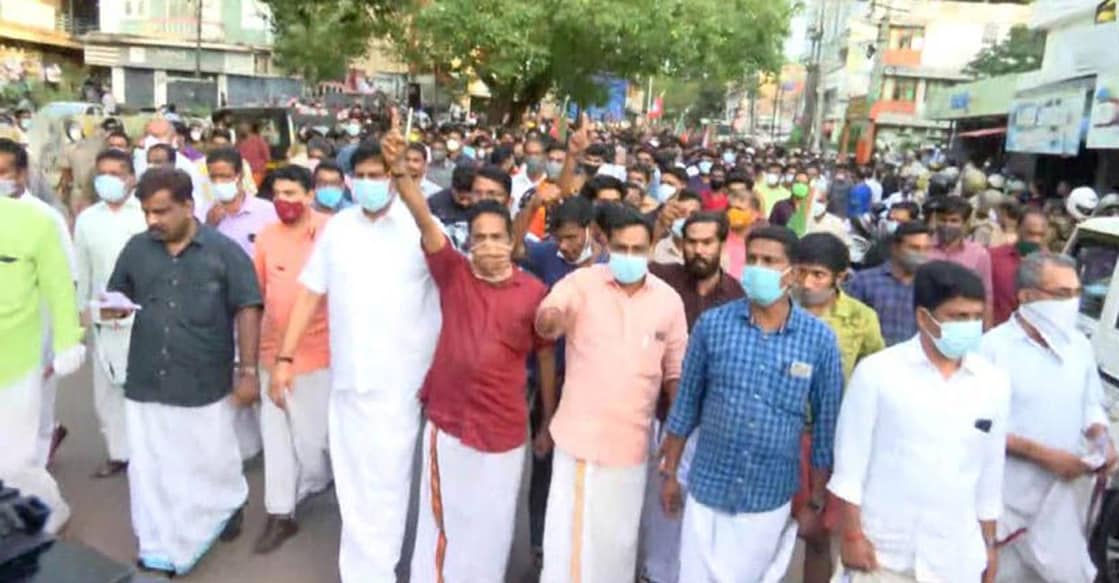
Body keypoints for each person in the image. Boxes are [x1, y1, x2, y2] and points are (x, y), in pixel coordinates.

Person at [270, 137, 442, 582]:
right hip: (347, 380)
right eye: (360, 176)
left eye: (377, 175)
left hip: (398, 386)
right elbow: (310, 291)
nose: (367, 184)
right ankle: (361, 571)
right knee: (352, 486)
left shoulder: (418, 228)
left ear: (395, 179)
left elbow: (453, 285)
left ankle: (376, 573)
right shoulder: (339, 229)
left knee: (385, 487)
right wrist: (284, 357)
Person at [398, 155, 552, 580]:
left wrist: (546, 421)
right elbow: (424, 220)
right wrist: (401, 175)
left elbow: (544, 356)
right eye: (479, 237)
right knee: (442, 522)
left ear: (511, 241)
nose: (488, 245)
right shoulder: (453, 274)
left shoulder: (535, 292)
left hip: (503, 430)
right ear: (469, 243)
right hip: (449, 423)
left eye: (497, 237)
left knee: (492, 528)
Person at [660, 225, 843, 582]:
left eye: (770, 261)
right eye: (753, 259)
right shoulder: (713, 325)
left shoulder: (819, 340)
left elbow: (826, 425)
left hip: (768, 494)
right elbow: (686, 405)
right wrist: (670, 474)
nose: (758, 268)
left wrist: (817, 498)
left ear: (794, 272)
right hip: (707, 486)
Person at [105, 167, 263, 576]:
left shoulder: (222, 251)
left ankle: (226, 506)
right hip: (146, 375)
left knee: (207, 461)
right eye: (146, 213)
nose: (153, 221)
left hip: (203, 377)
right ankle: (161, 543)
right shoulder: (137, 249)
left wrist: (247, 371)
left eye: (161, 211)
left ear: (189, 206)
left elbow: (247, 306)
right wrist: (112, 306)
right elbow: (117, 293)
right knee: (151, 466)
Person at [828, 260, 1009, 583]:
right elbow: (849, 466)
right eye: (957, 317)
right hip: (883, 551)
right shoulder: (878, 373)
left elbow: (990, 475)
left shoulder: (992, 383)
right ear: (924, 317)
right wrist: (852, 535)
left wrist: (989, 546)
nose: (969, 326)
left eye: (975, 317)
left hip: (956, 555)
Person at [535, 205, 688, 583]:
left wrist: (675, 436)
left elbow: (676, 372)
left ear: (652, 247)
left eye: (638, 249)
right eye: (622, 248)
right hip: (581, 443)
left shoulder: (668, 300)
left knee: (616, 547)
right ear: (607, 244)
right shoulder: (583, 283)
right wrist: (550, 319)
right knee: (570, 549)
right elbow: (551, 313)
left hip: (632, 447)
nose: (630, 257)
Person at [980, 253, 1115, 583]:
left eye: (1076, 293)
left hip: (1063, 502)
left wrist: (1101, 437)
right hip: (1006, 502)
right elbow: (978, 425)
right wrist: (1043, 455)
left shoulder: (1079, 346)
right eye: (1061, 294)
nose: (1072, 302)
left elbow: (1091, 403)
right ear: (1027, 297)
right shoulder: (992, 349)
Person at [640, 212, 745, 583]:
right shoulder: (661, 281)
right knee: (660, 504)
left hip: (708, 422)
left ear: (721, 245)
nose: (699, 250)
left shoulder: (738, 297)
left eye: (707, 242)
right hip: (660, 412)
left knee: (697, 509)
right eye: (692, 242)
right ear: (681, 244)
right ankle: (655, 573)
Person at [790, 232, 885, 582]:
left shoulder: (861, 319)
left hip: (827, 437)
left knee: (816, 534)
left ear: (840, 278)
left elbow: (873, 373)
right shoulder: (778, 308)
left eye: (818, 275)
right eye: (801, 273)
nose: (808, 283)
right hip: (779, 431)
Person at [0, 152, 84, 536]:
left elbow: (60, 284)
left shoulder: (37, 221)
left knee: (15, 460)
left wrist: (67, 341)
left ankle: (49, 508)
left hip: (19, 359)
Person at [251, 165, 333, 554]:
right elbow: (258, 293)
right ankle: (280, 513)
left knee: (313, 443)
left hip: (320, 356)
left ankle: (318, 479)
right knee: (276, 436)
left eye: (291, 193)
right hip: (272, 353)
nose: (284, 201)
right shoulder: (266, 237)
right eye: (277, 194)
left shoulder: (332, 233)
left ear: (309, 194)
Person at [73, 148, 147, 478]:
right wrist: (80, 314)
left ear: (131, 178)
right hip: (103, 316)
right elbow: (82, 271)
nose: (108, 179)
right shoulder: (88, 219)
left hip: (144, 316)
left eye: (116, 173)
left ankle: (148, 453)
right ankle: (119, 452)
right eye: (102, 173)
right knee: (106, 390)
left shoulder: (145, 214)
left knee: (143, 387)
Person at [846, 222, 932, 346]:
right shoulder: (864, 282)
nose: (921, 254)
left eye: (926, 249)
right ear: (895, 248)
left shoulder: (931, 287)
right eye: (914, 248)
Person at [927, 197, 994, 316]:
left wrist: (985, 331)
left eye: (954, 221)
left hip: (963, 323)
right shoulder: (922, 249)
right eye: (943, 220)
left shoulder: (979, 254)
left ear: (965, 223)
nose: (947, 225)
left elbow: (987, 296)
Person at [989, 209, 1049, 326]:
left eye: (1040, 235)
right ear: (1018, 229)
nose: (1035, 240)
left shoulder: (1051, 267)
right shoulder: (994, 257)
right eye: (1030, 233)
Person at [427, 163, 478, 252]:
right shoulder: (435, 203)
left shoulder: (483, 205)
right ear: (453, 189)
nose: (465, 203)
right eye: (461, 198)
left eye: (469, 199)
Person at [652, 190, 702, 265]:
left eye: (693, 214)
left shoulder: (707, 251)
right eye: (681, 213)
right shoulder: (657, 249)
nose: (687, 218)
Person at [237, 121, 271, 187]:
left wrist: (260, 167)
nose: (241, 130)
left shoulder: (259, 140)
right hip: (241, 173)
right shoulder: (238, 142)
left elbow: (267, 157)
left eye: (243, 128)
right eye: (239, 129)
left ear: (249, 129)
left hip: (256, 172)